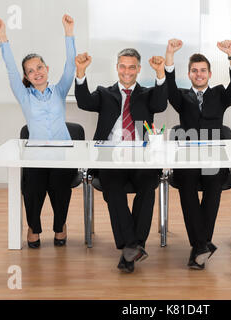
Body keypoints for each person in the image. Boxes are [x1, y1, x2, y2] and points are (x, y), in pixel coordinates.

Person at [74, 49, 168, 273]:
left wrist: (161, 73)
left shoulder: (147, 94)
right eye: (123, 66)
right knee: (112, 188)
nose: (127, 71)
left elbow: (162, 104)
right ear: (117, 68)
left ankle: (130, 248)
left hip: (141, 157)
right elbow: (84, 102)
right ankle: (133, 245)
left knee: (148, 187)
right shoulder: (104, 93)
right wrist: (80, 71)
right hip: (110, 157)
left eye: (132, 67)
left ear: (138, 69)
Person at [0, 14, 77, 249]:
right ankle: (33, 227)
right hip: (36, 155)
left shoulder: (60, 90)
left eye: (40, 67)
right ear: (27, 77)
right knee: (32, 188)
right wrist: (2, 37)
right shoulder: (25, 96)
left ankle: (60, 226)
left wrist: (69, 32)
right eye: (31, 71)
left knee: (60, 188)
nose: (37, 72)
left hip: (62, 155)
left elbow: (71, 66)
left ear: (47, 69)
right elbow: (10, 70)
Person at [164, 37, 231, 269]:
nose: (199, 74)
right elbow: (168, 86)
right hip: (187, 158)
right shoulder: (181, 97)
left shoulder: (219, 94)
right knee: (186, 190)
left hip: (213, 158)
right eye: (194, 71)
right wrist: (170, 55)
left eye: (203, 70)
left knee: (213, 191)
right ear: (188, 74)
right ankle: (202, 246)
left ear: (209, 73)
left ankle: (199, 247)